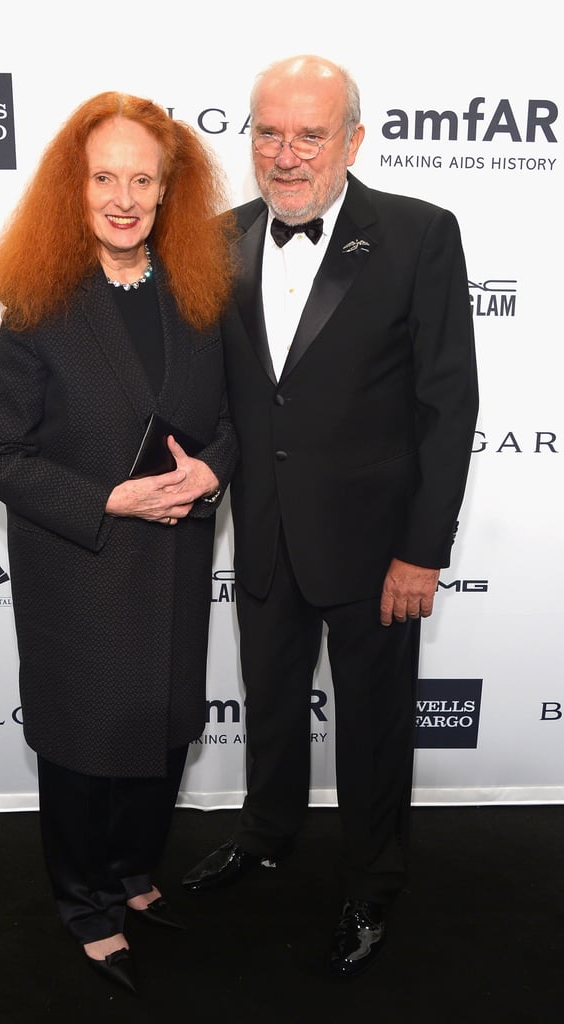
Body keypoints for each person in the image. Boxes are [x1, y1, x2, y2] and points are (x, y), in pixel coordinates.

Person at [181, 55, 479, 979]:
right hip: (262, 532)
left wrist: (421, 554)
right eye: (269, 132)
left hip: (375, 547)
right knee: (269, 707)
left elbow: (446, 402)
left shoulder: (420, 234)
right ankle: (267, 835)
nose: (287, 153)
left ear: (352, 138)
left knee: (377, 723)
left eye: (310, 133)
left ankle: (371, 880)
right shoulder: (218, 238)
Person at [0, 91, 238, 995]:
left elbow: (234, 422)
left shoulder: (199, 293)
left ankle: (132, 875)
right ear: (72, 190)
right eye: (104, 178)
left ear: (169, 194)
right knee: (84, 754)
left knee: (161, 742)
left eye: (143, 181)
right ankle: (85, 907)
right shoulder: (41, 306)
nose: (124, 198)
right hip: (80, 573)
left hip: (174, 565)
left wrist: (212, 471)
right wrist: (106, 499)